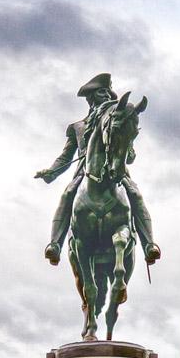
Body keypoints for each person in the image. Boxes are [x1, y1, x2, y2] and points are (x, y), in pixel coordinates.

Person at [35, 72, 159, 266]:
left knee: (135, 193)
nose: (107, 95)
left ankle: (149, 244)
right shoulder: (78, 127)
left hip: (115, 171)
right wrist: (51, 172)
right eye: (102, 92)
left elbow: (128, 151)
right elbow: (66, 156)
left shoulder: (115, 119)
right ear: (91, 98)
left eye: (109, 92)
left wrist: (128, 150)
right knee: (68, 194)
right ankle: (55, 244)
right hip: (85, 173)